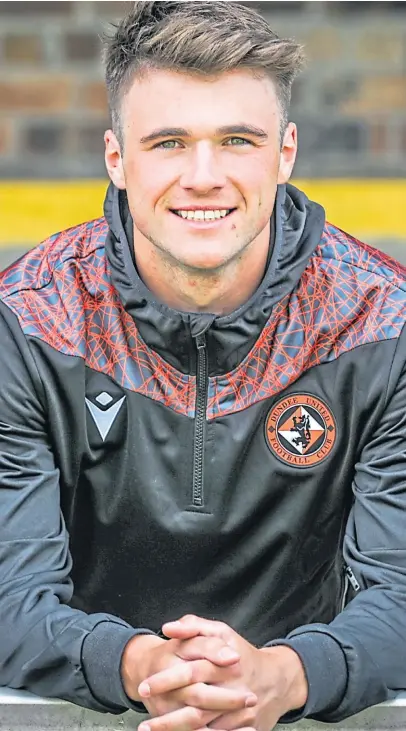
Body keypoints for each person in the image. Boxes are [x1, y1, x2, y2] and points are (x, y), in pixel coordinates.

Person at [0, 1, 406, 729]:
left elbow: (403, 590)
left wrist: (281, 675)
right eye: (169, 142)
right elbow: (8, 592)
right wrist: (142, 664)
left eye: (237, 140)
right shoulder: (27, 320)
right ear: (116, 159)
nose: (204, 175)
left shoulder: (382, 321)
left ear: (284, 153)